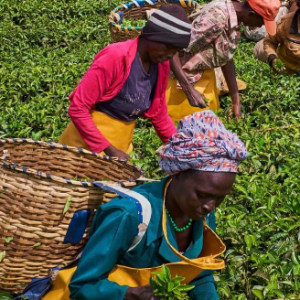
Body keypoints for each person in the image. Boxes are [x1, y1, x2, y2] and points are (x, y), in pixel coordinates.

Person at [67, 110, 248, 300]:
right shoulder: (128, 215)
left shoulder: (202, 214)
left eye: (220, 198)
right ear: (178, 173)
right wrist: (127, 295)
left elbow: (200, 276)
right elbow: (82, 286)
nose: (210, 206)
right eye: (202, 195)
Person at [59, 5, 192, 160]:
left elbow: (159, 114)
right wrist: (110, 150)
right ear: (152, 35)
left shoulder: (161, 65)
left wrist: (181, 149)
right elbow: (78, 108)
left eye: (175, 51)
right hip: (82, 148)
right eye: (168, 47)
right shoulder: (115, 57)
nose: (170, 55)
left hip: (121, 146)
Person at [170, 0, 281, 120]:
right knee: (185, 128)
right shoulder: (215, 19)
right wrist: (189, 90)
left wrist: (236, 101)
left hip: (203, 77)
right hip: (179, 81)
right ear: (251, 14)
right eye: (261, 22)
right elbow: (171, 49)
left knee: (209, 124)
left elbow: (226, 57)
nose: (260, 26)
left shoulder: (236, 19)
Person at [256, 0, 300, 74]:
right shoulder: (286, 22)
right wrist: (272, 57)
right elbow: (269, 41)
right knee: (259, 49)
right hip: (285, 65)